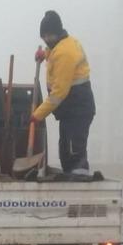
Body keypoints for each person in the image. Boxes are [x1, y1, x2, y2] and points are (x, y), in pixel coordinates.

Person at [31, 10, 96, 176]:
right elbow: (54, 53)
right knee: (65, 148)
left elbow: (59, 93)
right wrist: (44, 54)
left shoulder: (65, 53)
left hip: (78, 108)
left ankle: (79, 179)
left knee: (74, 149)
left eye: (49, 36)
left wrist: (38, 114)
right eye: (43, 36)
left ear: (57, 32)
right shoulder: (62, 44)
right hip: (70, 110)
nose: (46, 40)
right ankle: (71, 175)